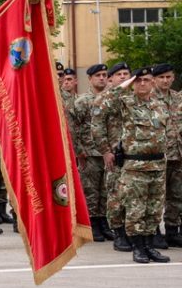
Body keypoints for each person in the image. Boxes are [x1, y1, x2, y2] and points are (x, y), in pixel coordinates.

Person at [98, 67, 170, 264]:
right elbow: (101, 104)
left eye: (147, 80)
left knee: (154, 209)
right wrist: (126, 83)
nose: (143, 84)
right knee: (135, 209)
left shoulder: (160, 105)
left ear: (153, 82)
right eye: (138, 81)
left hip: (157, 165)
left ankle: (149, 246)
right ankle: (138, 248)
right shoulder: (125, 103)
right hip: (135, 166)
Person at [93, 62, 133, 252]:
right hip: (115, 154)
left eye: (126, 73)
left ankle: (132, 231)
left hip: (135, 154)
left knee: (133, 195)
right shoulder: (105, 99)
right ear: (111, 79)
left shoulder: (135, 97)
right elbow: (98, 126)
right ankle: (118, 233)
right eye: (119, 74)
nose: (124, 77)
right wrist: (105, 151)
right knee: (116, 194)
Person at [70, 63, 111, 241]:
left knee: (106, 190)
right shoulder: (82, 101)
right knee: (90, 191)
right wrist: (79, 152)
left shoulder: (111, 99)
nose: (102, 78)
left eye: (104, 75)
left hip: (107, 152)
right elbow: (73, 127)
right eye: (98, 75)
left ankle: (103, 222)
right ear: (90, 79)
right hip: (89, 153)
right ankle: (92, 224)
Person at [153, 63, 182, 247]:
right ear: (155, 79)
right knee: (156, 196)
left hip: (177, 155)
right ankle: (154, 232)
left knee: (177, 195)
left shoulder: (178, 98)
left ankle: (172, 230)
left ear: (173, 78)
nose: (165, 80)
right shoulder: (148, 98)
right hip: (157, 157)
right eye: (161, 77)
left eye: (168, 77)